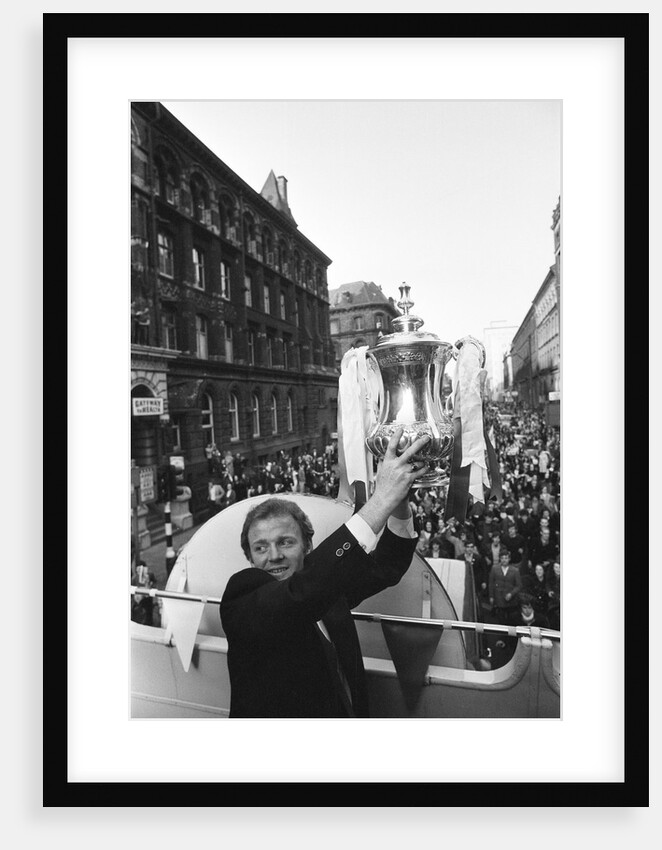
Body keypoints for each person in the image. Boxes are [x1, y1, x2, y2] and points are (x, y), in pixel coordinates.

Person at [220, 427, 429, 718]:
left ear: (308, 545)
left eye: (285, 542)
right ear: (250, 557)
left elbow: (386, 567)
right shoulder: (241, 600)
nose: (274, 555)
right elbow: (302, 594)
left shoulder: (327, 594)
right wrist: (379, 500)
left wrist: (397, 501)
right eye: (261, 548)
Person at [488, 547, 522, 625]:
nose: (504, 560)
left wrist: (511, 593)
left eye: (506, 558)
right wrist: (491, 597)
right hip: (499, 599)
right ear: (500, 559)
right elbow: (491, 583)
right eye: (502, 558)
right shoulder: (494, 568)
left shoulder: (515, 570)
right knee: (500, 620)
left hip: (511, 601)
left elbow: (519, 586)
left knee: (511, 620)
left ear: (509, 559)